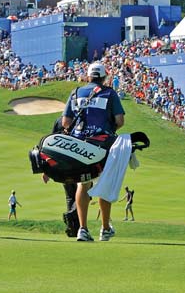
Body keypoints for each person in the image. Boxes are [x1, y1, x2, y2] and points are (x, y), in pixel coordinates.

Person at [61, 61, 125, 242]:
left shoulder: (75, 93)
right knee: (104, 182)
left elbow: (66, 122)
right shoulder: (109, 93)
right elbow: (120, 121)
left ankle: (82, 229)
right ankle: (105, 228)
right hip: (102, 143)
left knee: (83, 183)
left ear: (88, 76)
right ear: (104, 77)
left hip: (79, 145)